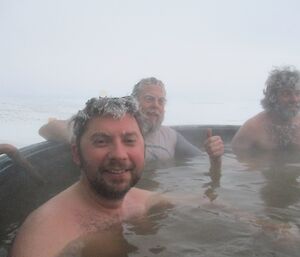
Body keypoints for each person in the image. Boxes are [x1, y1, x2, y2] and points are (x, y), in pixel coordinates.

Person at [10, 96, 169, 257]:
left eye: (129, 140)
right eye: (101, 141)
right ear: (76, 154)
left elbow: (193, 203)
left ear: (144, 149)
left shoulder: (144, 201)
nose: (119, 155)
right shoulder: (44, 235)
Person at [38, 77, 224, 164]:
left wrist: (215, 155)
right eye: (149, 99)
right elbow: (47, 129)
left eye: (161, 101)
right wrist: (81, 136)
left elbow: (201, 161)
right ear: (134, 102)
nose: (156, 105)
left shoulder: (170, 137)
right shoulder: (112, 126)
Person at [231, 66, 300, 152]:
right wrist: (216, 159)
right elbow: (235, 162)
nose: (295, 99)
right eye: (286, 94)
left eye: (298, 93)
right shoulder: (253, 128)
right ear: (273, 97)